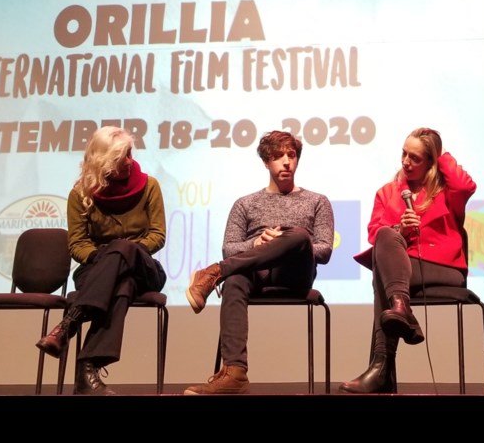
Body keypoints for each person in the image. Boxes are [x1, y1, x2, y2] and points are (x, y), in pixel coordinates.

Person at [182, 130, 334, 394]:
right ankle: (235, 374)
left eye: (292, 155)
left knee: (298, 236)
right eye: (278, 156)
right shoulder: (245, 204)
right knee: (235, 280)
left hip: (294, 275)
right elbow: (229, 247)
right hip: (254, 272)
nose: (286, 162)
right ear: (266, 162)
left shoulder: (317, 201)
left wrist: (285, 242)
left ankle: (215, 272)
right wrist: (256, 244)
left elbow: (324, 251)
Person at [339, 127, 476, 393]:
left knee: (383, 275)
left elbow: (466, 184)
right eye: (404, 154)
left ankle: (381, 369)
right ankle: (400, 309)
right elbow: (374, 233)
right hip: (404, 270)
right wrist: (400, 229)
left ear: (431, 161)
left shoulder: (447, 190)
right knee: (386, 237)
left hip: (444, 268)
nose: (405, 162)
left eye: (415, 157)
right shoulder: (388, 192)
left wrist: (441, 152)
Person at [34, 125, 167, 395]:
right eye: (122, 156)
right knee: (123, 286)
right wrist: (104, 256)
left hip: (145, 269)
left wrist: (125, 250)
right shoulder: (80, 194)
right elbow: (78, 245)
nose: (129, 161)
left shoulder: (150, 186)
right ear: (104, 160)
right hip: (97, 272)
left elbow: (157, 235)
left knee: (123, 251)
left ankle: (69, 324)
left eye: (130, 153)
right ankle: (88, 368)